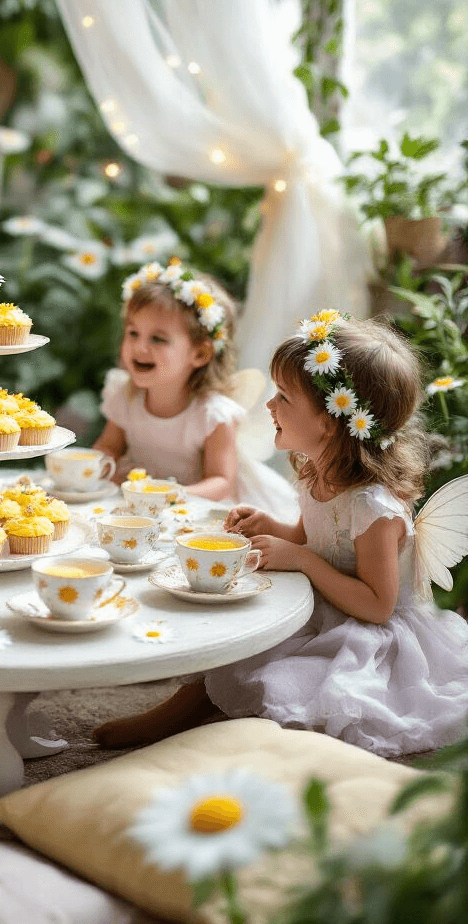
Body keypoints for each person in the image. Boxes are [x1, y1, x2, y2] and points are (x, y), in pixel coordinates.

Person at [95, 312, 468, 758]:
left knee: (275, 673)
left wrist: (302, 559)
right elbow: (313, 538)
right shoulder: (319, 472)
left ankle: (181, 721)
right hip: (327, 605)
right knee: (242, 634)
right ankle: (182, 710)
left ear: (329, 421)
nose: (270, 406)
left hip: (370, 633)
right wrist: (272, 528)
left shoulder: (373, 507)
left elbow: (378, 605)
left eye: (284, 397)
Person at [93, 259, 297, 516]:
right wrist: (103, 466)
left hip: (193, 510)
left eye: (158, 339)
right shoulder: (126, 395)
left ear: (199, 354)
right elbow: (108, 447)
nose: (140, 347)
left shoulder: (212, 415)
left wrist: (171, 495)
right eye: (133, 333)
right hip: (142, 507)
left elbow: (221, 481)